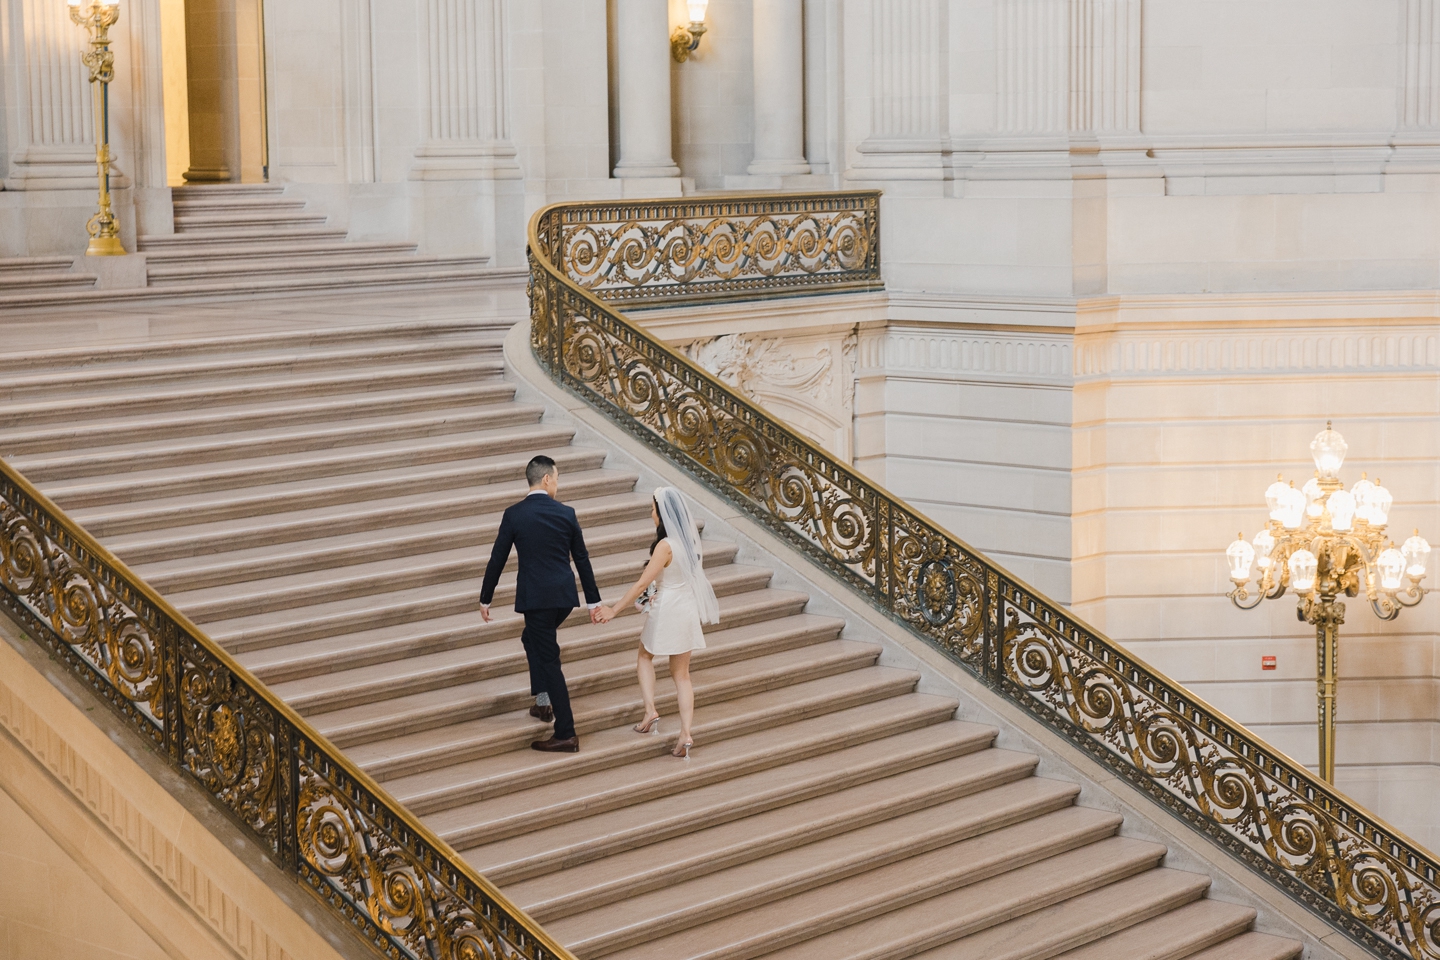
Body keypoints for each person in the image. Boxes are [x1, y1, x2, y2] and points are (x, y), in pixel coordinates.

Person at [480, 455, 602, 753]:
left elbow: (498, 557)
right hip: (562, 597)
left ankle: (566, 732)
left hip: (536, 599)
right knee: (531, 638)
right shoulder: (567, 513)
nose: (558, 484)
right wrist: (592, 601)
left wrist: (486, 597)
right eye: (557, 478)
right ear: (546, 479)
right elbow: (582, 559)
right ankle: (543, 703)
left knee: (549, 659)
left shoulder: (515, 514)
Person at [597, 487, 719, 758]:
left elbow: (643, 581)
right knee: (682, 675)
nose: (651, 514)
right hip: (686, 610)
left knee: (644, 656)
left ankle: (650, 710)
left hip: (668, 610)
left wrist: (614, 610)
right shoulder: (689, 542)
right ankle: (685, 733)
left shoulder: (665, 546)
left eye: (653, 510)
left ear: (663, 515)